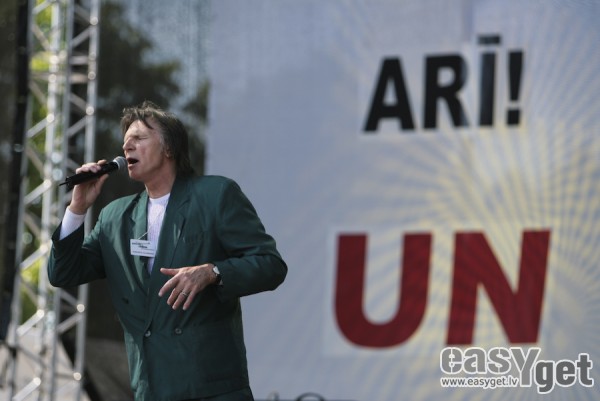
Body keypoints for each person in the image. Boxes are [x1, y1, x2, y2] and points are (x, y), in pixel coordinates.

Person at [47, 101, 287, 401]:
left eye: (139, 138)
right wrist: (77, 208)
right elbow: (62, 273)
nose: (127, 146)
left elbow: (270, 264)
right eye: (125, 142)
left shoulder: (214, 195)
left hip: (211, 388)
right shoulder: (115, 217)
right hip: (151, 388)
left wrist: (213, 271)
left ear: (169, 148)